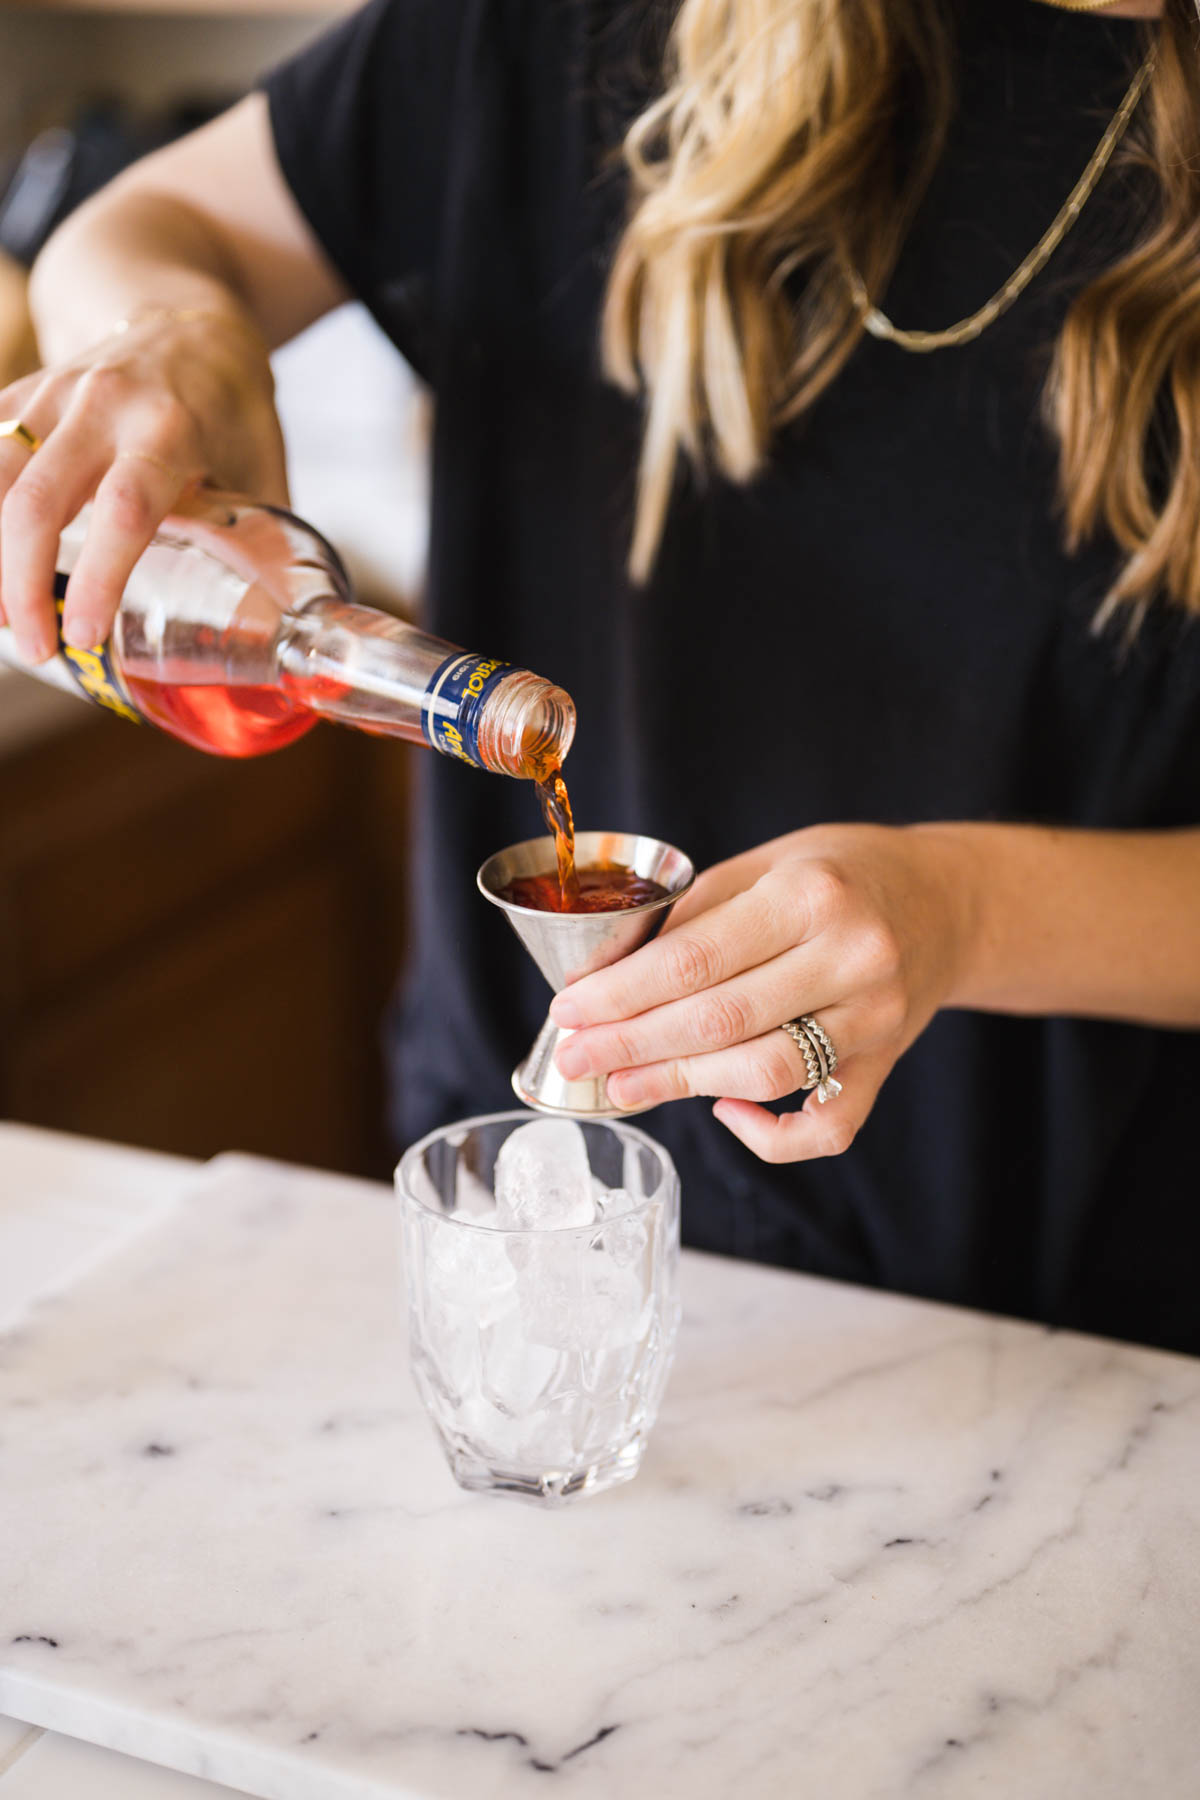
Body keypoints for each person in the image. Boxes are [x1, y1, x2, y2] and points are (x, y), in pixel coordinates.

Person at [3, 0, 1196, 1353]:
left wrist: (966, 911)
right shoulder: (569, 33)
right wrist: (177, 328)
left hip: (1078, 1337)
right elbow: (151, 223)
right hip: (524, 1250)